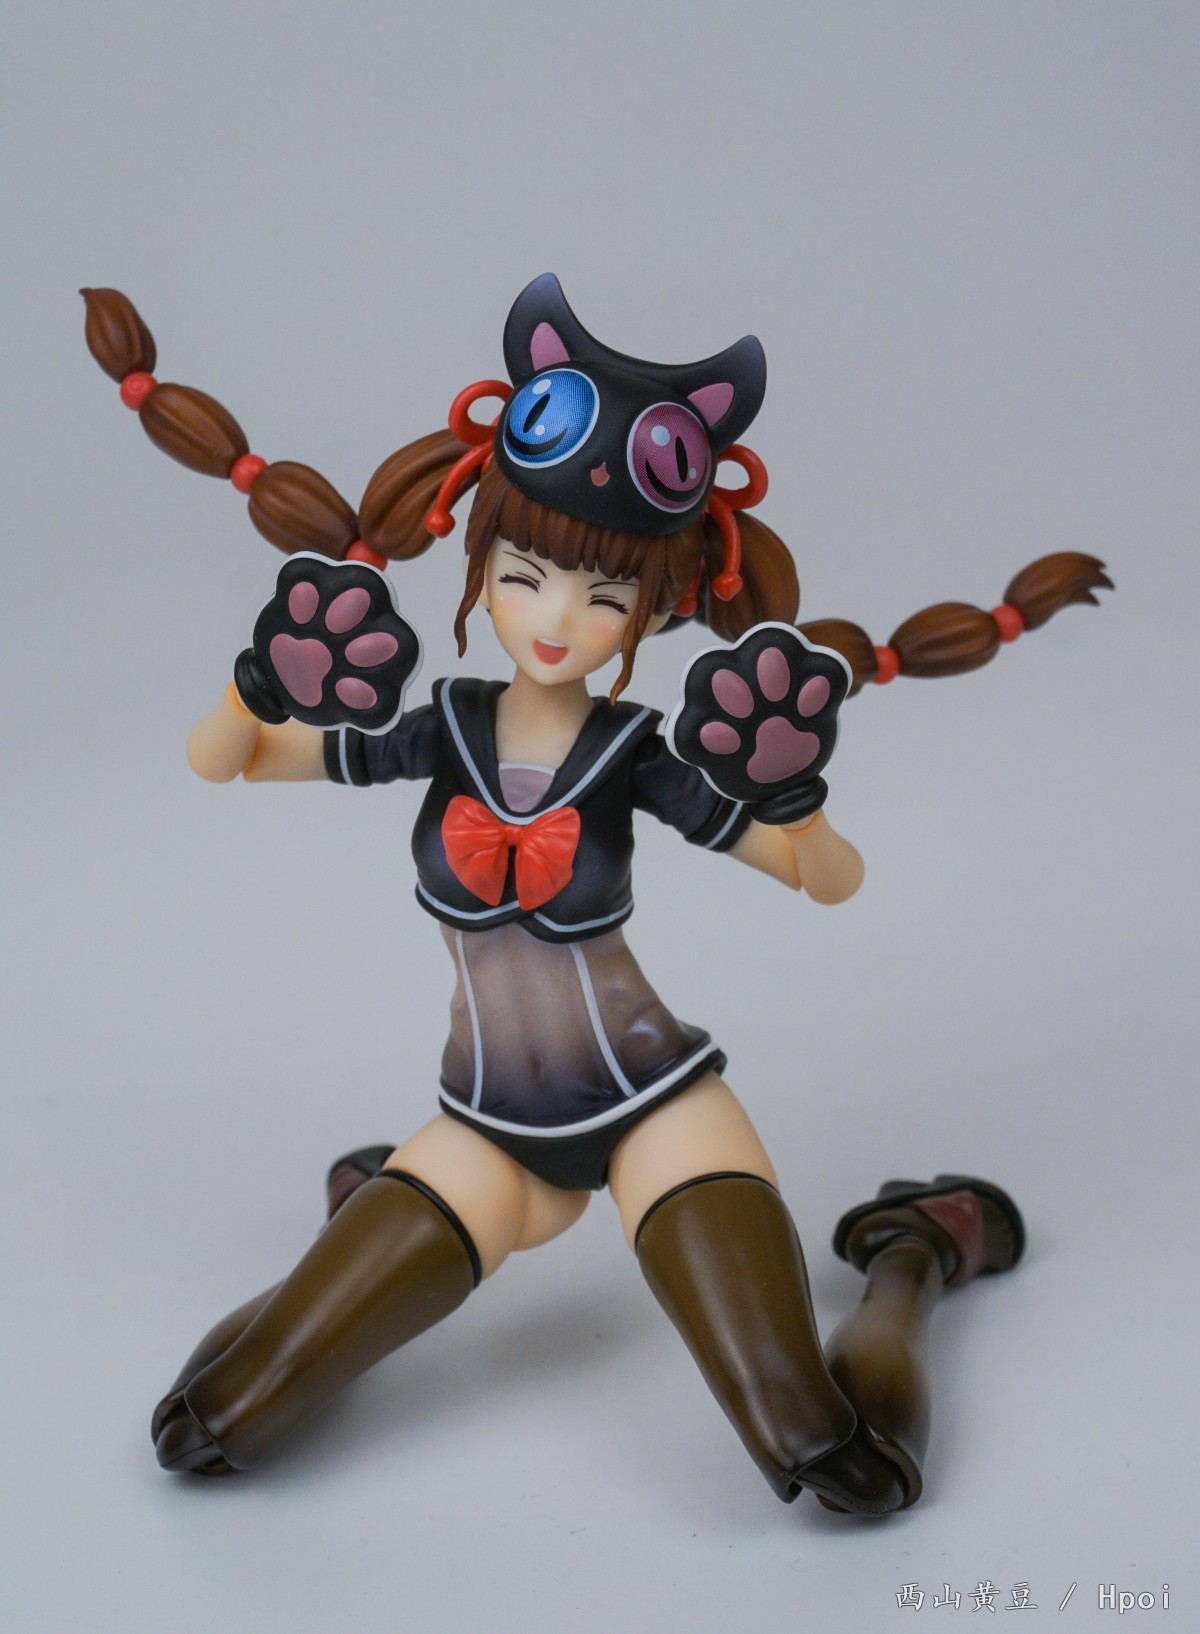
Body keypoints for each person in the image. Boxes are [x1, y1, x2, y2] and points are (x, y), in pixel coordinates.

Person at [83, 275, 1109, 1515]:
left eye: (607, 597)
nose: (558, 618)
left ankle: (914, 1247)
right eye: (525, 575)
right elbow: (232, 759)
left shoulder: (636, 753)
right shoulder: (446, 725)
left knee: (830, 1454)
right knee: (209, 1426)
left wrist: (795, 801)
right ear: (480, 562)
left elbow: (826, 879)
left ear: (657, 610)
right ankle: (360, 1218)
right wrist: (258, 682)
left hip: (654, 1109)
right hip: (484, 1124)